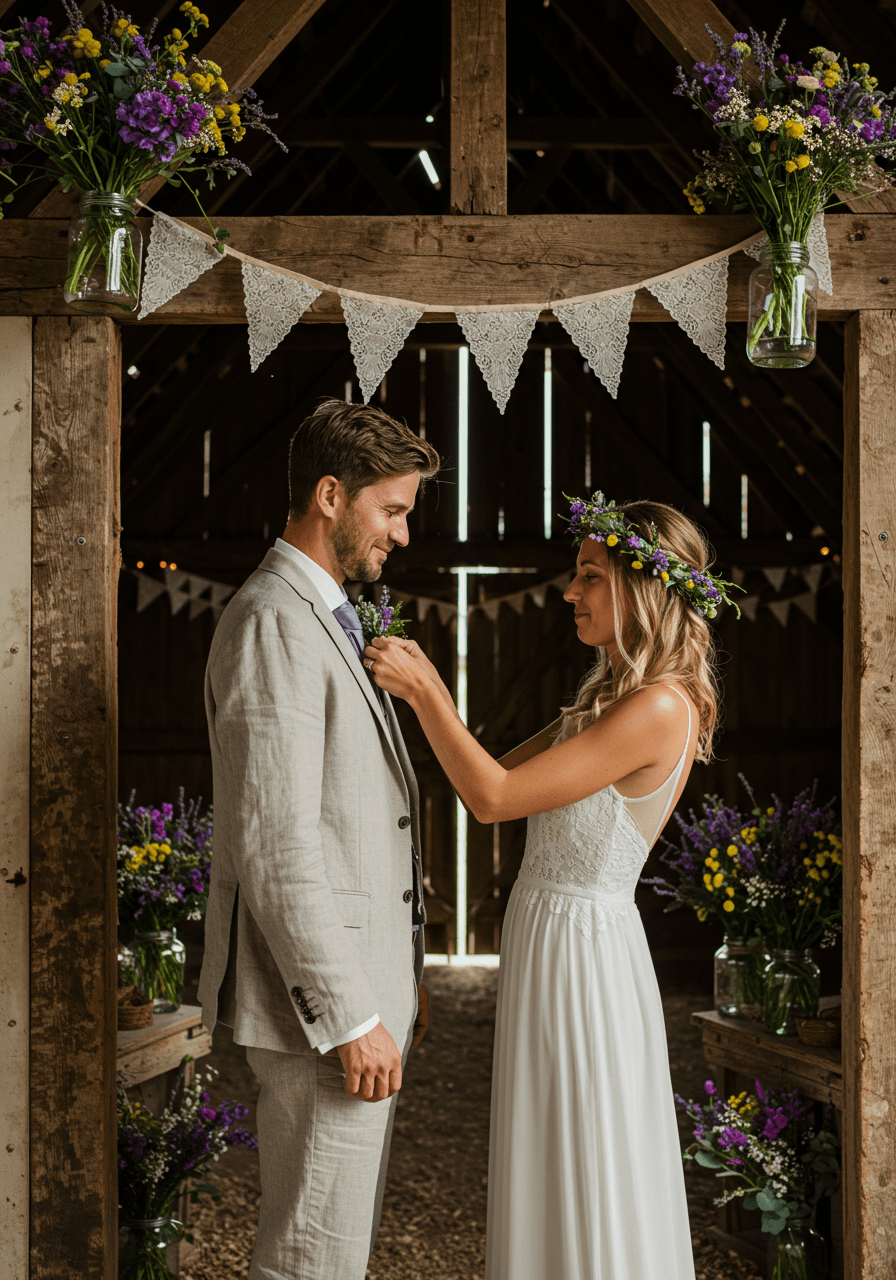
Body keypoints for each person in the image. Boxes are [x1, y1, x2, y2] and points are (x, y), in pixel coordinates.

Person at [363, 492, 742, 1280]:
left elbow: (492, 800)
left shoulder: (659, 707)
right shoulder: (606, 701)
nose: (571, 592)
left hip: (585, 956)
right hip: (552, 941)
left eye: (590, 576)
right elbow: (499, 770)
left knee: (585, 1150)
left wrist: (428, 688)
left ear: (644, 590)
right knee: (552, 1149)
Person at [197, 399, 441, 1280]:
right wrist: (349, 1014)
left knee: (335, 1247)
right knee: (310, 1257)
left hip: (355, 1001)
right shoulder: (275, 620)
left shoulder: (326, 609)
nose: (403, 535)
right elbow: (275, 842)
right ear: (331, 495)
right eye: (394, 510)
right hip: (322, 1015)